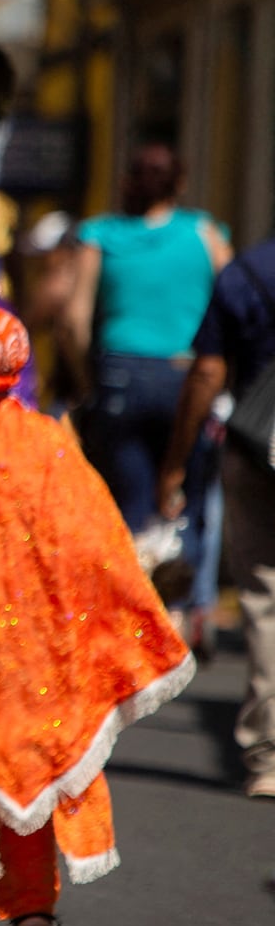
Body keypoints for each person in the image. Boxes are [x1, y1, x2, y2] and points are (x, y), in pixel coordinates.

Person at [0, 306, 192, 926]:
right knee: (33, 764)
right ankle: (31, 913)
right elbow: (97, 550)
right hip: (34, 658)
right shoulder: (49, 442)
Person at [161, 230, 275, 798]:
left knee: (263, 597)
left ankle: (268, 755)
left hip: (258, 448)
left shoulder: (246, 272)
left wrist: (176, 464)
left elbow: (207, 372)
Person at [65, 141, 229, 528]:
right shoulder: (206, 233)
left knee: (128, 511)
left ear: (127, 182)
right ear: (180, 183)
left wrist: (88, 382)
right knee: (184, 505)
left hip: (121, 374)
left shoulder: (98, 235)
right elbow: (234, 302)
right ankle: (184, 586)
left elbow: (73, 321)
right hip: (187, 376)